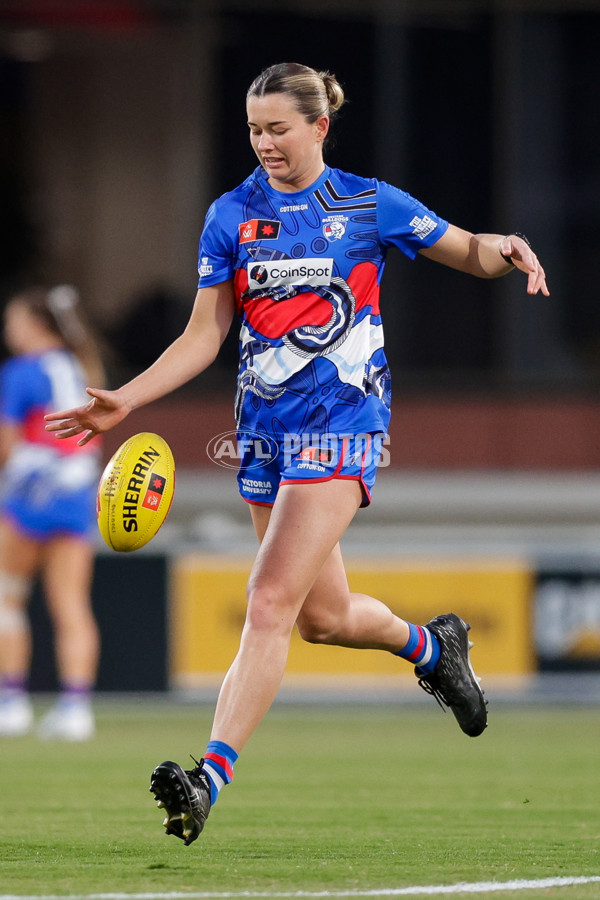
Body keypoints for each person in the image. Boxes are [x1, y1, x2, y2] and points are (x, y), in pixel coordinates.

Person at [45, 63, 549, 840]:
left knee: (269, 600)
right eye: (253, 129)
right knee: (322, 617)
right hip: (264, 433)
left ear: (319, 126)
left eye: (278, 128)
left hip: (343, 425)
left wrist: (501, 248)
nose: (264, 143)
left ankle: (208, 778)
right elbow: (205, 334)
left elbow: (463, 249)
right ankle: (432, 646)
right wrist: (128, 398)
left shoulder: (368, 202)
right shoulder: (231, 215)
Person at [0, 285, 104, 741]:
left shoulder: (22, 371)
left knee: (7, 598)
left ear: (35, 325)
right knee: (72, 606)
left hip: (30, 495)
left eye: (14, 320)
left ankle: (12, 702)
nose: (8, 330)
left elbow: (7, 443)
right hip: (76, 494)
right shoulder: (82, 365)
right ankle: (76, 707)